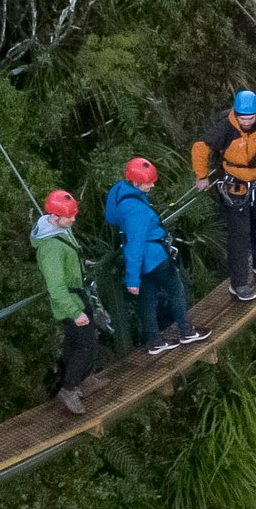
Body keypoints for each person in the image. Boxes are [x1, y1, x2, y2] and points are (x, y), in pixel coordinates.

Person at [193, 88, 256, 302]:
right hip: (234, 185)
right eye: (243, 118)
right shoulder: (225, 128)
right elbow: (200, 147)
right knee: (239, 236)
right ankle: (239, 283)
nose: (247, 122)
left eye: (250, 117)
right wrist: (201, 176)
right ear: (236, 114)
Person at [105, 157, 206, 356]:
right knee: (176, 289)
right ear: (135, 182)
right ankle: (186, 332)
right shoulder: (137, 212)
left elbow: (111, 217)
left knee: (148, 299)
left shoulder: (119, 189)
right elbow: (136, 245)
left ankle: (154, 341)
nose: (152, 185)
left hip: (142, 261)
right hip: (154, 257)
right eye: (148, 183)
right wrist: (131, 279)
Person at [32, 188, 97, 416]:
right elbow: (56, 286)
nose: (73, 219)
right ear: (54, 217)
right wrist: (74, 312)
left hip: (76, 295)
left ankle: (80, 381)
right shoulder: (50, 248)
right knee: (86, 345)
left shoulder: (60, 230)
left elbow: (68, 256)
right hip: (70, 301)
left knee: (73, 344)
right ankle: (69, 388)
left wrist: (81, 264)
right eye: (69, 216)